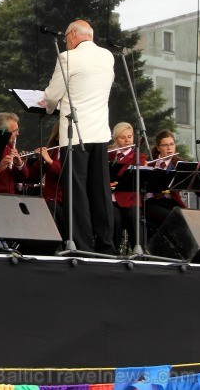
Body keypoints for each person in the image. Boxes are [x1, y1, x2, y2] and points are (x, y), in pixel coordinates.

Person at [41, 19, 115, 255]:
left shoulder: (68, 58)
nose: (66, 43)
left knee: (77, 192)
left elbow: (52, 96)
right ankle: (106, 245)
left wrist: (48, 104)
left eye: (66, 38)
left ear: (73, 34)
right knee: (100, 190)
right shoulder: (107, 57)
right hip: (100, 133)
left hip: (75, 135)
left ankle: (82, 245)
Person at [109, 122, 147, 252]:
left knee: (134, 216)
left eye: (129, 137)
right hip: (112, 199)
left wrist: (115, 172)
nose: (127, 140)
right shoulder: (109, 155)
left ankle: (139, 253)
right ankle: (111, 254)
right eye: (122, 137)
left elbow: (126, 173)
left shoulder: (139, 157)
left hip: (131, 200)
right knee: (114, 219)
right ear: (115, 139)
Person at [27, 123, 65, 237]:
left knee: (51, 210)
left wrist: (50, 161)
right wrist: (27, 161)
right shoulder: (53, 152)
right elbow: (32, 176)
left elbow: (67, 173)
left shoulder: (74, 153)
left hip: (66, 200)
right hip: (50, 198)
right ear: (57, 137)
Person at [144, 129, 186, 232]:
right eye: (165, 145)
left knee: (186, 219)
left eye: (172, 144)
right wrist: (145, 170)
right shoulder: (149, 163)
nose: (169, 148)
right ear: (158, 148)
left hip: (172, 202)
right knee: (174, 219)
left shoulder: (180, 164)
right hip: (152, 202)